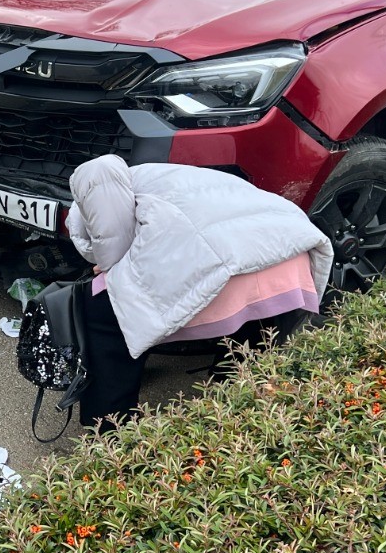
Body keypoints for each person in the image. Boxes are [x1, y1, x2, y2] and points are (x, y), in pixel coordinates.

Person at [65, 155, 335, 428]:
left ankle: (108, 433)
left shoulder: (94, 182)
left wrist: (108, 265)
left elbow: (114, 246)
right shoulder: (164, 176)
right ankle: (227, 416)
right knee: (250, 342)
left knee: (108, 318)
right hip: (289, 264)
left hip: (237, 268)